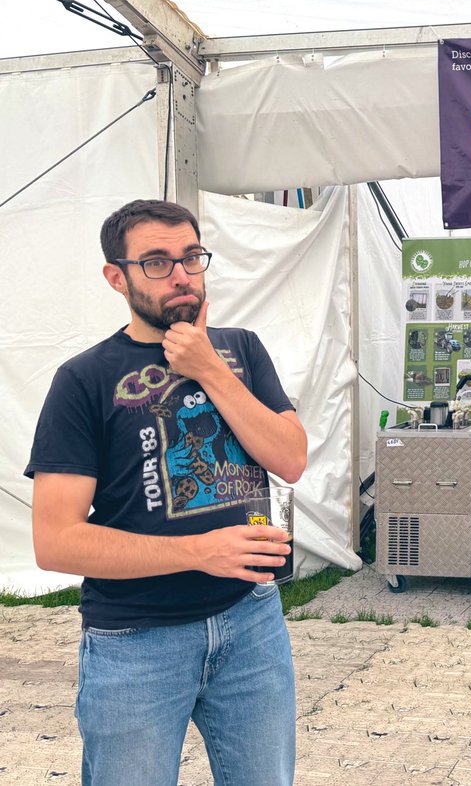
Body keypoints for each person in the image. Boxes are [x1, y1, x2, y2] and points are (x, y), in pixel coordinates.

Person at [26, 199, 307, 786]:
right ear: (116, 276)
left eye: (191, 258)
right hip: (136, 641)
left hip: (251, 623)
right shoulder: (84, 379)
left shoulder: (242, 350)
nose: (181, 275)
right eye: (156, 262)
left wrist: (209, 370)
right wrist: (199, 552)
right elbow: (56, 542)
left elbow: (291, 457)